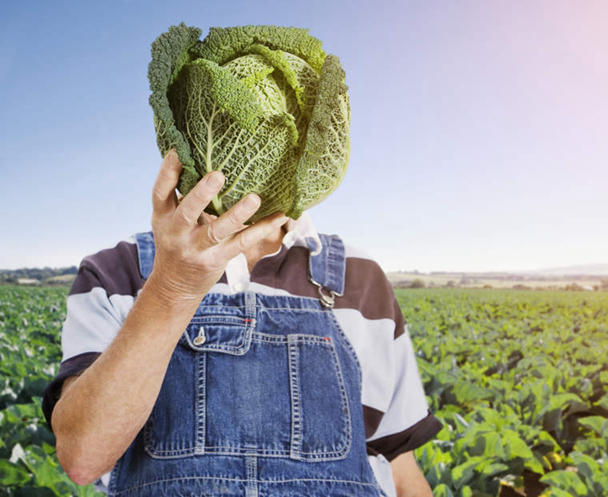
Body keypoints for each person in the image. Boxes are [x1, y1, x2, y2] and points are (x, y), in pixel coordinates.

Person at [41, 150, 442, 497]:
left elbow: (396, 465)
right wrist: (170, 288)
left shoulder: (360, 276)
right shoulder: (115, 273)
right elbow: (83, 457)